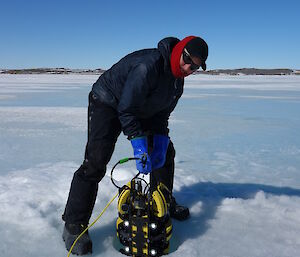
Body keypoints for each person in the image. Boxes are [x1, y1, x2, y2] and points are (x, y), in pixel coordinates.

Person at [62, 35, 208, 255]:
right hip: (107, 102)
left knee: (165, 152)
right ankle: (74, 223)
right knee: (96, 161)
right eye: (188, 60)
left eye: (196, 67)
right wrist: (138, 143)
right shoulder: (147, 66)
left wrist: (159, 140)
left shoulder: (177, 82)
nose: (189, 68)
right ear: (179, 51)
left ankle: (163, 201)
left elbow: (161, 115)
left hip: (139, 108)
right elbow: (126, 109)